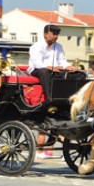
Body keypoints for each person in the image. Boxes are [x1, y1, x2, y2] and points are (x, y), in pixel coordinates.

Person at [27, 24, 76, 159]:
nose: (56, 36)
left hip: (54, 71)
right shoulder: (36, 47)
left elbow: (63, 61)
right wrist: (49, 67)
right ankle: (50, 99)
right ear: (46, 34)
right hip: (38, 71)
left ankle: (70, 100)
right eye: (54, 33)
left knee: (74, 75)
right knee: (45, 72)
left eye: (57, 34)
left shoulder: (58, 47)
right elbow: (37, 64)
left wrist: (69, 67)